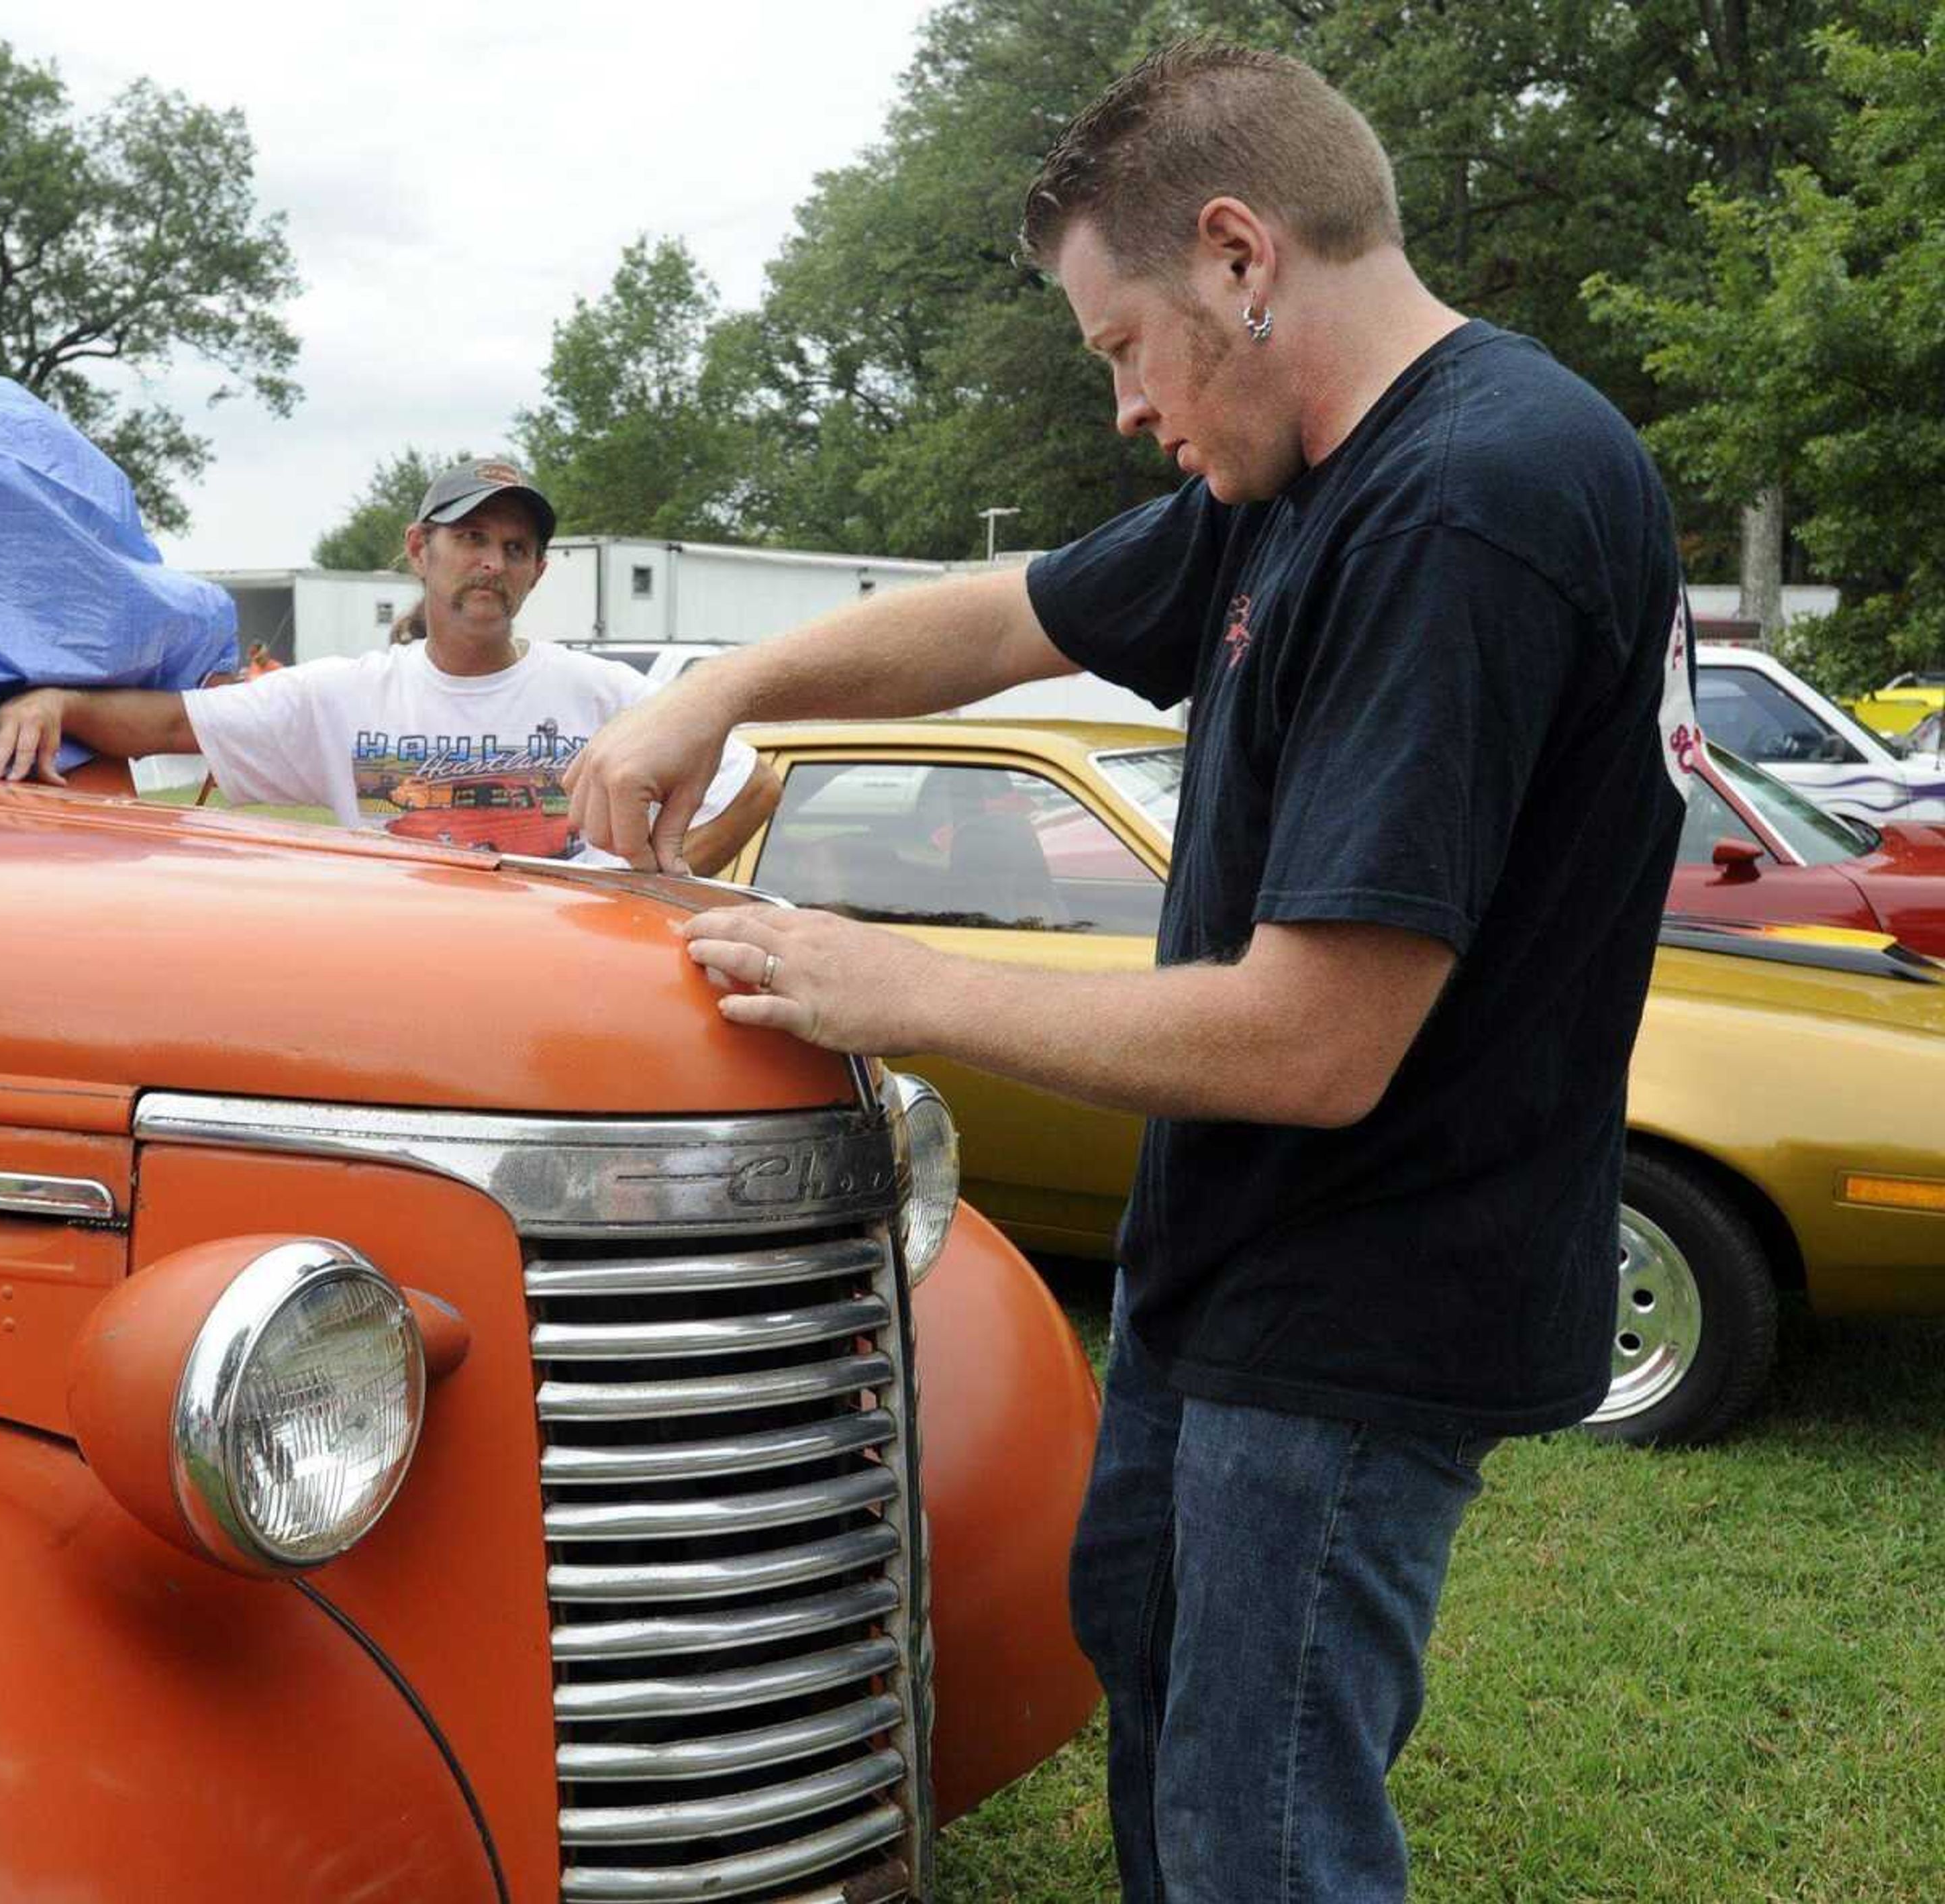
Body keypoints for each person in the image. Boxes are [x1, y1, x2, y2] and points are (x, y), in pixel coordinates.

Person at [562, 39, 1692, 1904]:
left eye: (1118, 346)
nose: (1121, 407)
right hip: (1234, 1277)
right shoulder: (1301, 478)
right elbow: (1010, 617)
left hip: (1359, 1306)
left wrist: (878, 979)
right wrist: (721, 683)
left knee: (1260, 1837)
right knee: (1172, 1725)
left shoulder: (1463, 502)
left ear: (1242, 258)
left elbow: (1317, 1038)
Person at [0, 458, 779, 872]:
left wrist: (647, 890)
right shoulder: (345, 696)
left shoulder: (603, 693)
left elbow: (755, 783)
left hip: (563, 995)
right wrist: (57, 703)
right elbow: (175, 723)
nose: (493, 562)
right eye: (472, 539)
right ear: (422, 550)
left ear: (537, 572)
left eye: (515, 547)